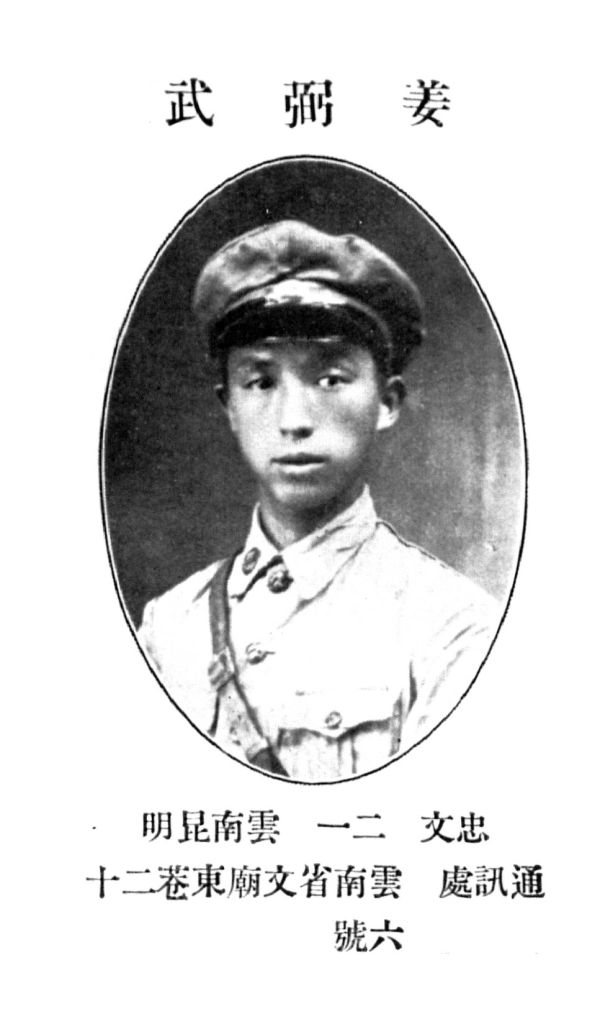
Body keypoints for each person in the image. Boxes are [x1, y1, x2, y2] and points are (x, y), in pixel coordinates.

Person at [138, 219, 498, 782]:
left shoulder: (453, 628)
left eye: (330, 378)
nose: (294, 420)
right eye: (261, 382)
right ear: (228, 407)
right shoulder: (167, 627)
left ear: (387, 401)